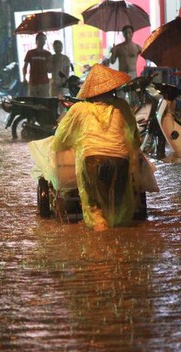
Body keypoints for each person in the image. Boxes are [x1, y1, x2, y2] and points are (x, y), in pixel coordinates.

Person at [52, 64, 140, 231]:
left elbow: (61, 137)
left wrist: (62, 146)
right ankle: (119, 246)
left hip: (92, 159)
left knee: (96, 206)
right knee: (117, 207)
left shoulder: (79, 108)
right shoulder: (121, 105)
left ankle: (100, 246)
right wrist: (136, 148)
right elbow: (133, 133)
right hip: (120, 159)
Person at [22, 32, 52, 97]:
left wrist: (49, 63)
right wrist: (24, 78)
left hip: (44, 82)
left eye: (44, 40)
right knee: (33, 102)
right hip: (33, 82)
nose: (42, 41)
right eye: (40, 39)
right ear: (36, 41)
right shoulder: (30, 53)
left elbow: (49, 70)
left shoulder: (48, 54)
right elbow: (25, 66)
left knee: (44, 101)